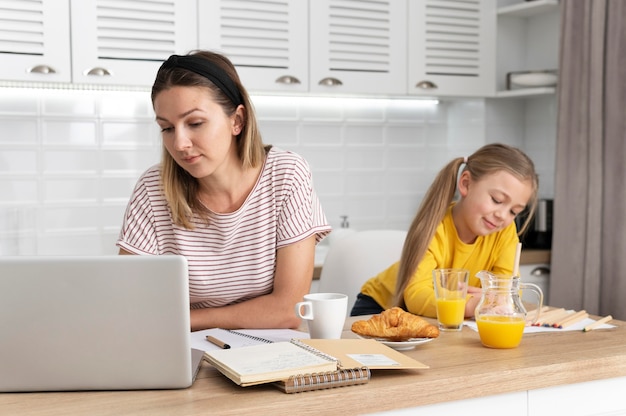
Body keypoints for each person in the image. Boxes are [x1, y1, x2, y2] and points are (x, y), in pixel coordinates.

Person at [116, 50, 331, 331]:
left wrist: (185, 320)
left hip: (269, 354)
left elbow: (289, 310)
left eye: (195, 123)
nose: (179, 143)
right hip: (185, 354)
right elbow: (128, 304)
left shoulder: (286, 175)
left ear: (237, 121)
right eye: (167, 128)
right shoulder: (153, 189)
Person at [350, 143, 539, 318]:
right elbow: (416, 296)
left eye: (514, 211)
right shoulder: (435, 226)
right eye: (497, 200)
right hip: (379, 307)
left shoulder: (504, 232)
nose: (502, 215)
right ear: (466, 184)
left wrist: (491, 298)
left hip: (438, 315)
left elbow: (509, 290)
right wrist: (474, 304)